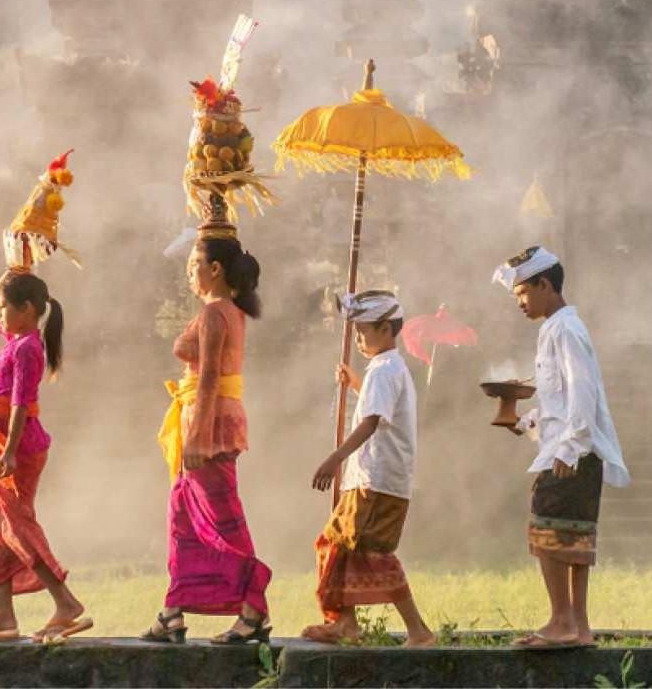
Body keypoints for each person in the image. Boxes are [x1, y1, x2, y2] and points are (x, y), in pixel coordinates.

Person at [492, 246, 629, 648]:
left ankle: (561, 622)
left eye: (522, 293)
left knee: (548, 530)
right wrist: (526, 422)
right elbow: (559, 399)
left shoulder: (566, 329)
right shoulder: (554, 328)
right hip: (568, 446)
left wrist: (571, 448)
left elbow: (583, 392)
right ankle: (577, 627)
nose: (519, 302)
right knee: (571, 536)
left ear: (544, 285)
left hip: (573, 453)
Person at [142, 235, 273, 645]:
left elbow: (211, 376)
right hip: (202, 419)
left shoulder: (217, 313)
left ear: (215, 269)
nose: (189, 272)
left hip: (209, 424)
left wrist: (197, 439)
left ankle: (254, 609)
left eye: (194, 263)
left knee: (220, 519)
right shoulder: (221, 311)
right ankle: (172, 612)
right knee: (182, 517)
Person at [0, 269, 91, 643]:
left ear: (27, 310)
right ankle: (3, 613)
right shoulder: (14, 339)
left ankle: (66, 602)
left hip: (19, 445)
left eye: (5, 308)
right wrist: (11, 268)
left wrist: (12, 450)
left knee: (16, 523)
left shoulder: (29, 348)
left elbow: (19, 404)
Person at [304, 290, 435, 647]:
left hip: (375, 481)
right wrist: (355, 383)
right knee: (338, 544)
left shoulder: (385, 369)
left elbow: (372, 421)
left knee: (370, 553)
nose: (359, 338)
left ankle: (418, 631)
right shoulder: (386, 369)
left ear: (387, 330)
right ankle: (345, 622)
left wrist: (335, 458)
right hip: (370, 479)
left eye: (364, 331)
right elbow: (377, 408)